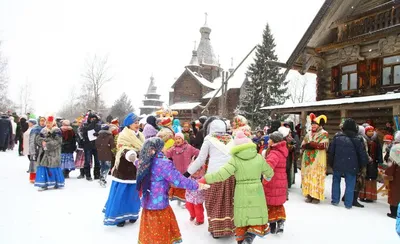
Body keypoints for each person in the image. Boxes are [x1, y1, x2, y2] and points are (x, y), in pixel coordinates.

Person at [201, 131, 274, 244]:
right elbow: (269, 172)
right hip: (257, 191)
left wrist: (206, 178)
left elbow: (221, 174)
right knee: (255, 215)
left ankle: (242, 239)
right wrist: (267, 178)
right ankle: (250, 236)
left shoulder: (235, 160)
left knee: (242, 217)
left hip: (241, 191)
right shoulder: (259, 157)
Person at [137, 137, 208, 244]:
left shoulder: (143, 161)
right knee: (160, 230)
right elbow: (179, 180)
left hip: (147, 203)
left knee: (151, 230)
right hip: (160, 205)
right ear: (159, 148)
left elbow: (136, 162)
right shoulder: (163, 164)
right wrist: (197, 185)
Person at [185, 116, 236, 238]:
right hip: (230, 175)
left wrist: (187, 172)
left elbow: (201, 159)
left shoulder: (208, 140)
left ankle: (216, 229)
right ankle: (230, 227)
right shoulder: (231, 139)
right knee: (229, 202)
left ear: (210, 128)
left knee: (213, 201)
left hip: (214, 176)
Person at [103, 112, 144, 227]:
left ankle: (132, 214)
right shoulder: (123, 135)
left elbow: (144, 147)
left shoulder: (140, 135)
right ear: (128, 124)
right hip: (124, 169)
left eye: (138, 122)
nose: (137, 124)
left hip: (136, 169)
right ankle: (119, 216)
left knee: (133, 194)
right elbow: (123, 149)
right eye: (134, 122)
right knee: (122, 193)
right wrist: (132, 154)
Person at [329, 119, 368, 209]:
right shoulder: (358, 139)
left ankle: (335, 200)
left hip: (338, 163)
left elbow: (331, 151)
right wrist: (363, 164)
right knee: (350, 184)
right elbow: (362, 154)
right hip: (352, 165)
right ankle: (348, 203)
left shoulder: (337, 137)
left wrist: (331, 163)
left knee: (336, 181)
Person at [262, 131, 289, 234]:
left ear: (274, 141)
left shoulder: (274, 153)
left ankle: (272, 225)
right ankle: (280, 220)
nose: (268, 141)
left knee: (271, 203)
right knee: (278, 203)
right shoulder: (282, 151)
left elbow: (268, 168)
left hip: (273, 181)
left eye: (269, 139)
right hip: (281, 180)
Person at [301, 113, 329, 204]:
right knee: (308, 174)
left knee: (316, 175)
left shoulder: (324, 133)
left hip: (318, 158)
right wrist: (306, 146)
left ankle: (316, 196)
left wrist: (314, 145)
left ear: (319, 125)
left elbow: (324, 145)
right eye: (312, 124)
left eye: (315, 124)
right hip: (307, 159)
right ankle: (309, 194)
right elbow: (303, 143)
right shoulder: (308, 134)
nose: (313, 126)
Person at [166, 132, 199, 203]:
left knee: (186, 185)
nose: (177, 140)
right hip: (177, 171)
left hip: (187, 171)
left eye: (179, 138)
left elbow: (197, 152)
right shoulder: (173, 149)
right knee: (178, 185)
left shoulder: (189, 147)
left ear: (183, 140)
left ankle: (186, 200)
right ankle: (179, 200)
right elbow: (166, 154)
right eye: (176, 139)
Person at [34, 116, 65, 191]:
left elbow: (58, 142)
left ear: (53, 123)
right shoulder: (43, 130)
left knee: (53, 167)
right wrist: (42, 142)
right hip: (43, 153)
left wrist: (47, 144)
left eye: (49, 123)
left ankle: (56, 182)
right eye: (47, 123)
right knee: (43, 167)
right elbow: (37, 139)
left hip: (53, 153)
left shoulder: (57, 131)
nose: (48, 124)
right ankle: (44, 184)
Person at [359, 125, 382, 202]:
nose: (371, 132)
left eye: (372, 131)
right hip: (365, 162)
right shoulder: (363, 139)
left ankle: (370, 196)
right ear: (366, 132)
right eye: (369, 131)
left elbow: (379, 150)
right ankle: (362, 195)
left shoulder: (376, 140)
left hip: (373, 162)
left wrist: (379, 160)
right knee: (364, 177)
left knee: (371, 178)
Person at [81, 113, 101, 181]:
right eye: (92, 118)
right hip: (87, 145)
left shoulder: (98, 125)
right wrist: (93, 123)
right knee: (87, 161)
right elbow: (86, 130)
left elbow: (101, 133)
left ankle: (97, 174)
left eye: (94, 118)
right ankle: (88, 175)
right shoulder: (85, 125)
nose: (93, 120)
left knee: (97, 161)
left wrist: (98, 134)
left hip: (96, 145)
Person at [29, 117, 46, 183]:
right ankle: (33, 178)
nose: (43, 122)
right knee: (34, 162)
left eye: (44, 121)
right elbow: (32, 141)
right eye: (41, 121)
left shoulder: (46, 129)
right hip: (36, 148)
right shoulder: (35, 129)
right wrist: (32, 150)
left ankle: (41, 177)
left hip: (43, 149)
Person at [386, 143, 400, 219]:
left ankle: (394, 213)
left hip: (396, 176)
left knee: (394, 194)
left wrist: (387, 174)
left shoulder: (395, 150)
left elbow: (390, 166)